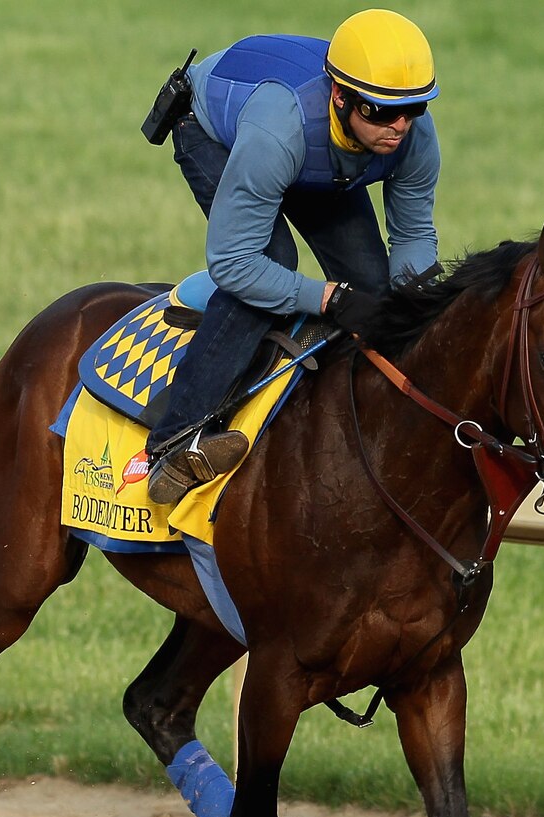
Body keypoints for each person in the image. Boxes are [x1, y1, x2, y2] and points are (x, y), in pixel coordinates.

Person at [142, 8, 443, 504]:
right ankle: (173, 442)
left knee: (374, 287)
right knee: (270, 265)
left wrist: (419, 307)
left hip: (316, 156)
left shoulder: (410, 136)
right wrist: (326, 299)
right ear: (341, 96)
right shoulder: (278, 129)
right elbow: (235, 263)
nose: (399, 128)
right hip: (221, 134)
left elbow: (412, 239)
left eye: (414, 109)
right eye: (382, 111)